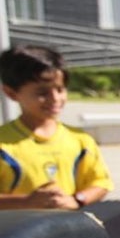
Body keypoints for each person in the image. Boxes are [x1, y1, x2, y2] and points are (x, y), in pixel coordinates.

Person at [0, 45, 112, 210]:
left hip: (67, 232)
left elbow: (101, 183)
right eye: (42, 93)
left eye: (60, 89)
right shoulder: (4, 144)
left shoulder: (81, 141)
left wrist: (77, 200)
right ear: (11, 93)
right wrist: (26, 202)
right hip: (13, 234)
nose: (55, 99)